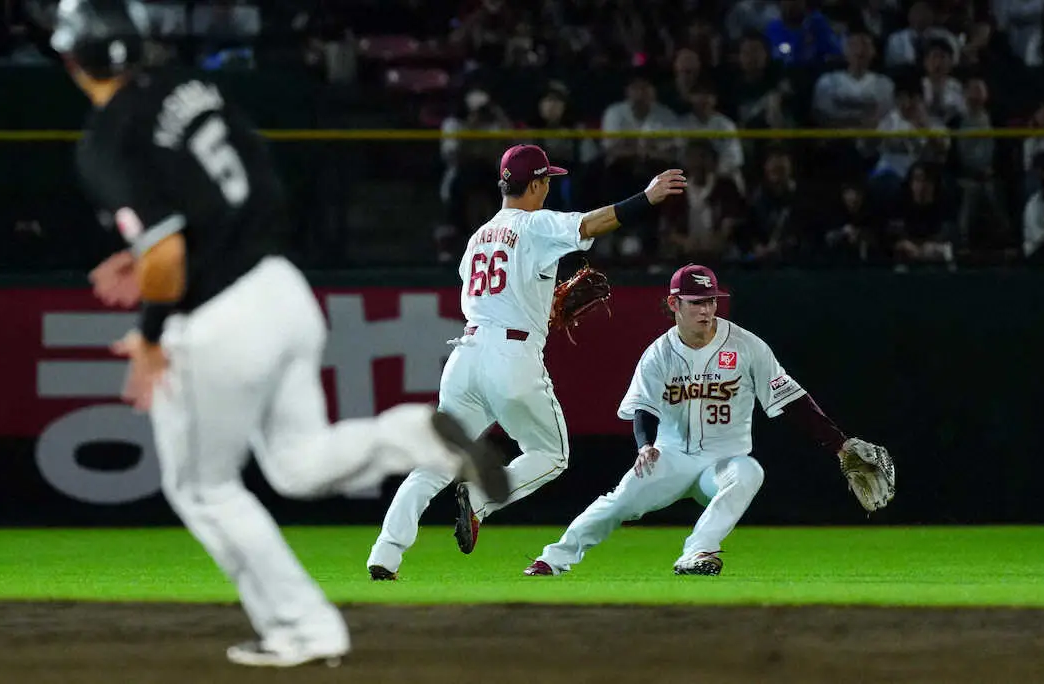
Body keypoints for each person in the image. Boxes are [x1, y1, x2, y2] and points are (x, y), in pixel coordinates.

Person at [52, 0, 509, 668]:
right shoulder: (189, 84)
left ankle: (302, 629)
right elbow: (242, 188)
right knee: (296, 464)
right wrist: (169, 252)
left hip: (217, 321)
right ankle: (412, 435)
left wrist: (149, 340)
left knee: (205, 489)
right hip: (282, 290)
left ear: (70, 60)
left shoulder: (105, 138)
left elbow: (168, 260)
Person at [366, 145, 687, 579]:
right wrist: (645, 198)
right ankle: (480, 499)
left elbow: (488, 291)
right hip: (510, 356)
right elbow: (592, 223)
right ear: (535, 184)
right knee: (551, 453)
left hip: (466, 355)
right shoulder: (536, 224)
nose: (549, 188)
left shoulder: (478, 235)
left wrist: (535, 302)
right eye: (547, 181)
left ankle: (385, 553)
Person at [523, 265, 892, 577]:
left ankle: (697, 552)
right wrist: (645, 446)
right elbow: (644, 407)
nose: (707, 310)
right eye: (697, 302)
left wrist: (839, 443)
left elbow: (792, 400)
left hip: (722, 462)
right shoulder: (659, 354)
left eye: (711, 301)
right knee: (619, 503)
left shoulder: (747, 346)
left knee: (750, 472)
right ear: (674, 304)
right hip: (669, 457)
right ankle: (553, 558)